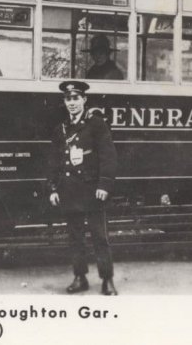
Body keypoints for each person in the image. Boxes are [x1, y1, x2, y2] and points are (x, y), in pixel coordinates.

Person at [48, 81, 118, 295]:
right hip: (69, 189)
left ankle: (107, 280)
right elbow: (54, 161)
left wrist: (104, 184)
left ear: (84, 100)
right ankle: (80, 277)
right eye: (68, 99)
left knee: (99, 236)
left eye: (76, 98)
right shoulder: (60, 129)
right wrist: (53, 188)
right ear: (64, 102)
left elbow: (108, 155)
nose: (72, 103)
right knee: (75, 237)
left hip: (92, 189)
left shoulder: (96, 124)